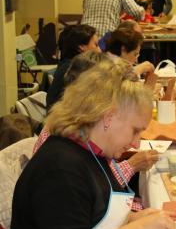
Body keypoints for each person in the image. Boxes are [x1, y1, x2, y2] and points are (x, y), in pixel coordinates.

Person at [9, 65, 176, 229]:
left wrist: (135, 218)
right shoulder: (60, 169)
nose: (137, 143)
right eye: (135, 131)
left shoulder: (92, 153)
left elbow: (90, 217)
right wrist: (140, 228)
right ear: (108, 117)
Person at [33, 54, 159, 212]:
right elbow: (95, 196)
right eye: (134, 131)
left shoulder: (90, 143)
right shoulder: (64, 162)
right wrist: (132, 166)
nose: (136, 143)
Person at [46, 24, 101, 111]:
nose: (99, 50)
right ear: (81, 47)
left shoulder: (69, 64)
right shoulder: (75, 70)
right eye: (96, 45)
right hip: (62, 121)